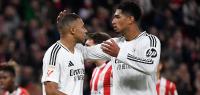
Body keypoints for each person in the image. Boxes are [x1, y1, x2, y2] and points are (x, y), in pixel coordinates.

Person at [79, 1, 161, 95]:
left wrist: (119, 53)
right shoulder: (115, 43)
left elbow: (150, 66)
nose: (113, 21)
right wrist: (66, 32)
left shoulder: (150, 40)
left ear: (130, 19)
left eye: (117, 17)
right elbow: (86, 53)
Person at [41, 10, 87, 95]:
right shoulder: (54, 53)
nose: (85, 30)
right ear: (73, 30)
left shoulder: (79, 52)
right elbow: (50, 91)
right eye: (83, 27)